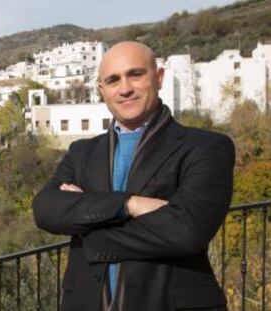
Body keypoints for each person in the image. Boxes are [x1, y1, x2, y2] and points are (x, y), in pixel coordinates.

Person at [32, 41, 235, 311]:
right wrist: (130, 204)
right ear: (102, 91)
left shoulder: (205, 147)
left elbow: (187, 231)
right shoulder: (82, 152)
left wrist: (88, 228)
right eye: (113, 80)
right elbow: (46, 210)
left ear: (159, 78)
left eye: (136, 74)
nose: (125, 88)